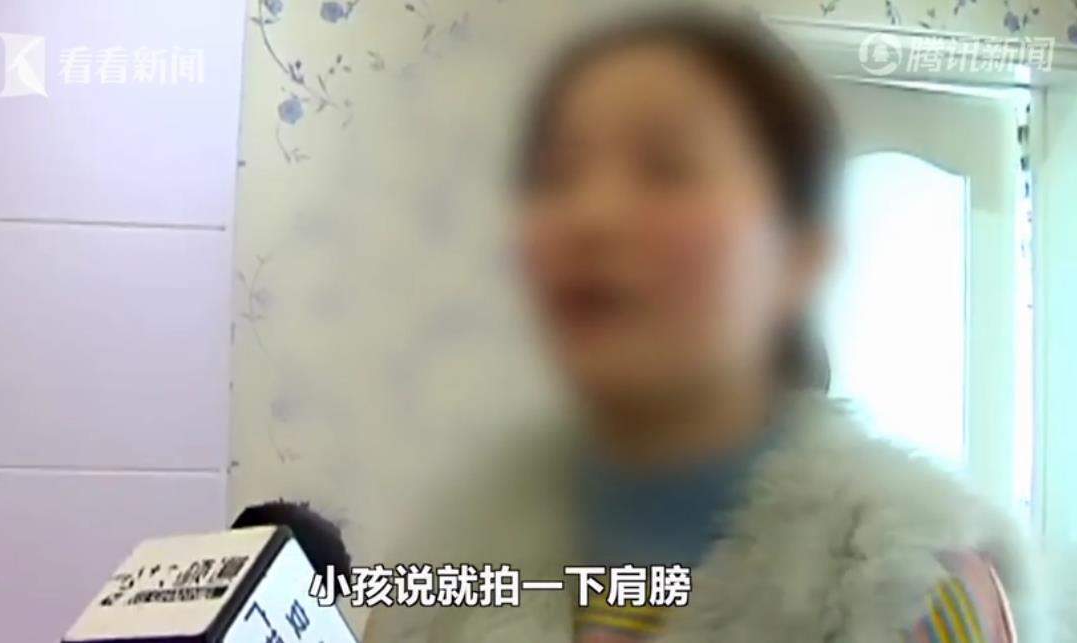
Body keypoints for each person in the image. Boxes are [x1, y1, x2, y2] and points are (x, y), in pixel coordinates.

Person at [363, 9, 1041, 642]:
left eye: (668, 168)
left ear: (798, 247)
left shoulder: (906, 584)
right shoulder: (447, 570)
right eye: (558, 174)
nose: (593, 216)